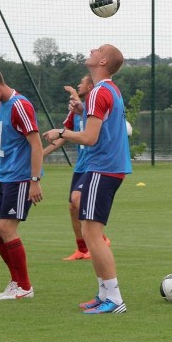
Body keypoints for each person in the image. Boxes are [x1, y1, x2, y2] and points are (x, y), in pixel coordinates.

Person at [42, 44, 132, 314]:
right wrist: (82, 113)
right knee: (89, 232)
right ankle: (104, 293)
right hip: (108, 168)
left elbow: (90, 138)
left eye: (98, 49)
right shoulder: (107, 91)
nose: (92, 50)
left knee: (93, 235)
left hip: (102, 168)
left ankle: (114, 299)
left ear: (103, 61)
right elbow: (101, 127)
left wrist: (62, 132)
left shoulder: (100, 91)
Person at [0, 67, 43, 300]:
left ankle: (24, 286)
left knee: (7, 229)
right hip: (4, 177)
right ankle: (15, 281)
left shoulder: (20, 106)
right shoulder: (1, 105)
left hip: (20, 178)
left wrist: (35, 181)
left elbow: (36, 145)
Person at [42, 75, 111, 261]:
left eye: (81, 83)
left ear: (90, 86)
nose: (79, 85)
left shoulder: (95, 107)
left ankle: (101, 239)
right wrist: (41, 154)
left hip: (94, 164)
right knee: (73, 207)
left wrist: (74, 94)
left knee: (77, 198)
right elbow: (65, 136)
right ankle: (81, 248)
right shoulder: (76, 112)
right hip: (81, 166)